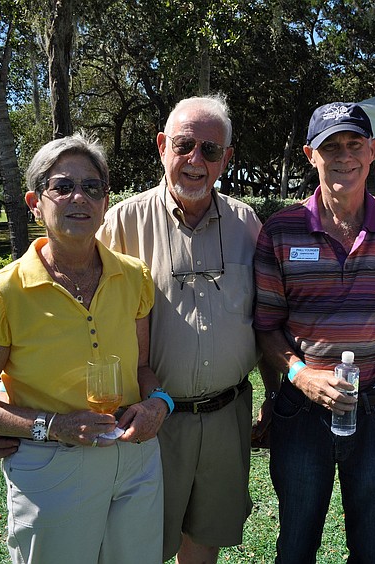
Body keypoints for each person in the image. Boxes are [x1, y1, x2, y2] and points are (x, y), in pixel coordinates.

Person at [0, 133, 167, 563]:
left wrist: (159, 402)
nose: (79, 198)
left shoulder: (133, 276)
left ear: (106, 202)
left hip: (135, 460)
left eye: (92, 187)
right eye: (63, 186)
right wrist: (52, 426)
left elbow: (141, 367)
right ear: (35, 202)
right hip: (53, 464)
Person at [253, 102, 375, 563]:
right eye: (330, 146)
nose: (344, 156)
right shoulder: (280, 230)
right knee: (296, 544)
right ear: (309, 154)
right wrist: (301, 376)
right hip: (301, 411)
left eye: (354, 144)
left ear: (372, 150)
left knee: (373, 547)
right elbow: (266, 327)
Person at [98, 95, 275, 563]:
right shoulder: (120, 224)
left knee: (205, 539)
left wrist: (276, 394)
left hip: (227, 417)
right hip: (152, 421)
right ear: (162, 146)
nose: (196, 160)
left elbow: (269, 317)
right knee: (142, 543)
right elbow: (79, 315)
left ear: (227, 160)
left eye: (211, 151)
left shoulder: (247, 225)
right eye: (184, 145)